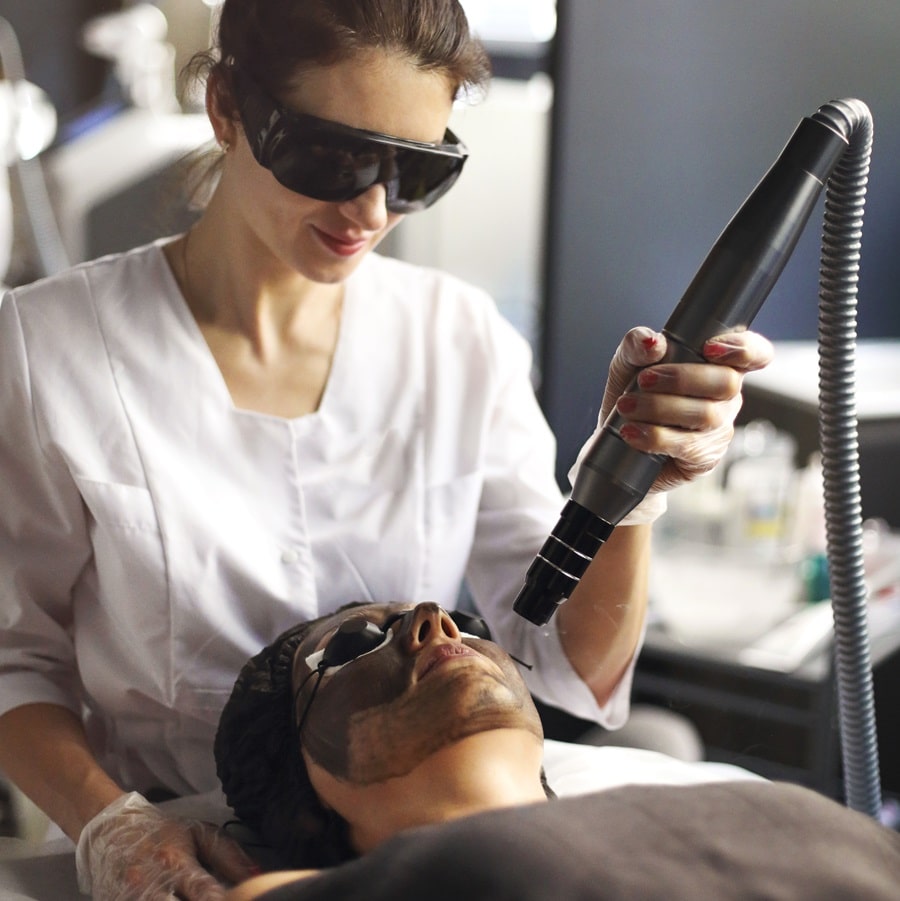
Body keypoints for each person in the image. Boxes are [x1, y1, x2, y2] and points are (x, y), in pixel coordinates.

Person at [0, 0, 772, 898]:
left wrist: (633, 485)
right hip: (182, 855)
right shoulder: (44, 349)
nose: (371, 207)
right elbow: (15, 659)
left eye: (418, 170)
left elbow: (565, 662)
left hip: (421, 849)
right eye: (332, 156)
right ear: (228, 109)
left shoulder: (459, 339)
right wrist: (112, 825)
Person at [215, 601, 900, 901]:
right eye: (354, 648)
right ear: (307, 810)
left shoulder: (730, 795)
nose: (438, 619)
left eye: (471, 625)